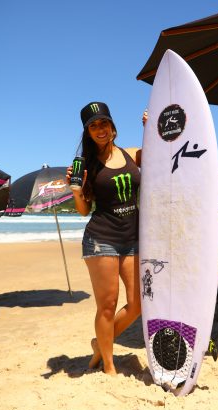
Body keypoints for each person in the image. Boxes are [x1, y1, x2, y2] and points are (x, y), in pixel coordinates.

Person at [66, 102, 143, 375]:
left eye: (103, 123)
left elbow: (160, 154)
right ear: (87, 132)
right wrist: (76, 191)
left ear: (112, 125)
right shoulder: (86, 165)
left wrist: (149, 126)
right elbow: (85, 210)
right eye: (93, 125)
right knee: (107, 305)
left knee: (137, 304)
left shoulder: (132, 153)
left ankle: (100, 344)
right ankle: (109, 365)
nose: (100, 129)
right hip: (102, 239)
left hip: (132, 238)